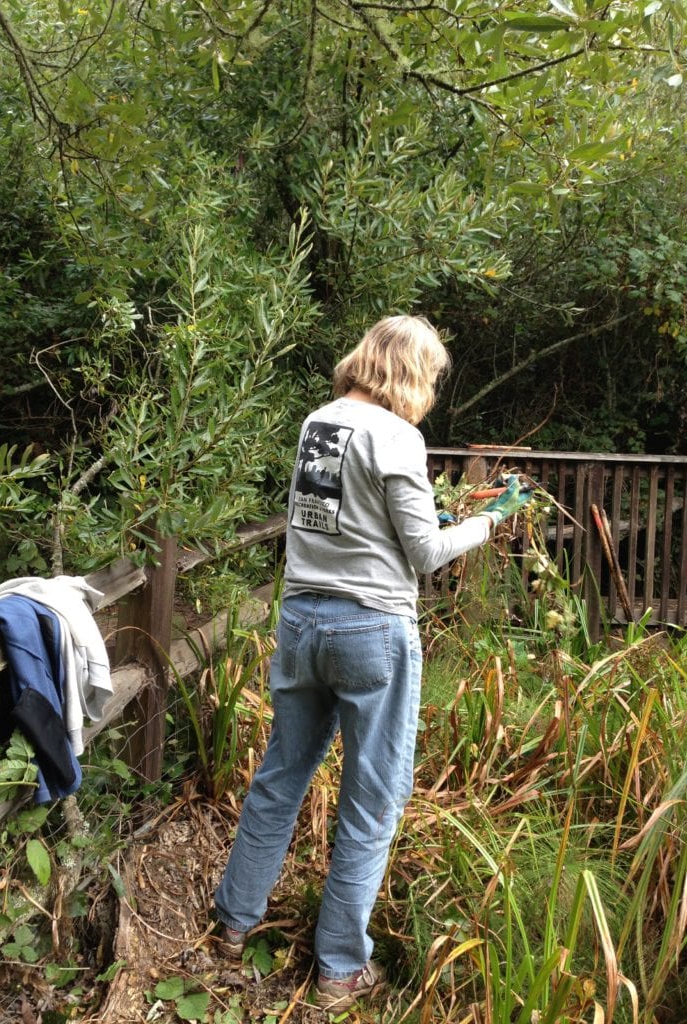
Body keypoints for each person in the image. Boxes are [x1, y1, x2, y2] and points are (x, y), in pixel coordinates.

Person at [213, 315, 531, 1010]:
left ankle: (233, 925)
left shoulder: (317, 423)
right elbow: (425, 553)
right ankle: (339, 969)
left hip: (301, 621)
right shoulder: (398, 435)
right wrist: (492, 519)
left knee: (279, 778)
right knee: (372, 801)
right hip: (370, 631)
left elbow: (348, 518)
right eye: (432, 376)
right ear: (410, 371)